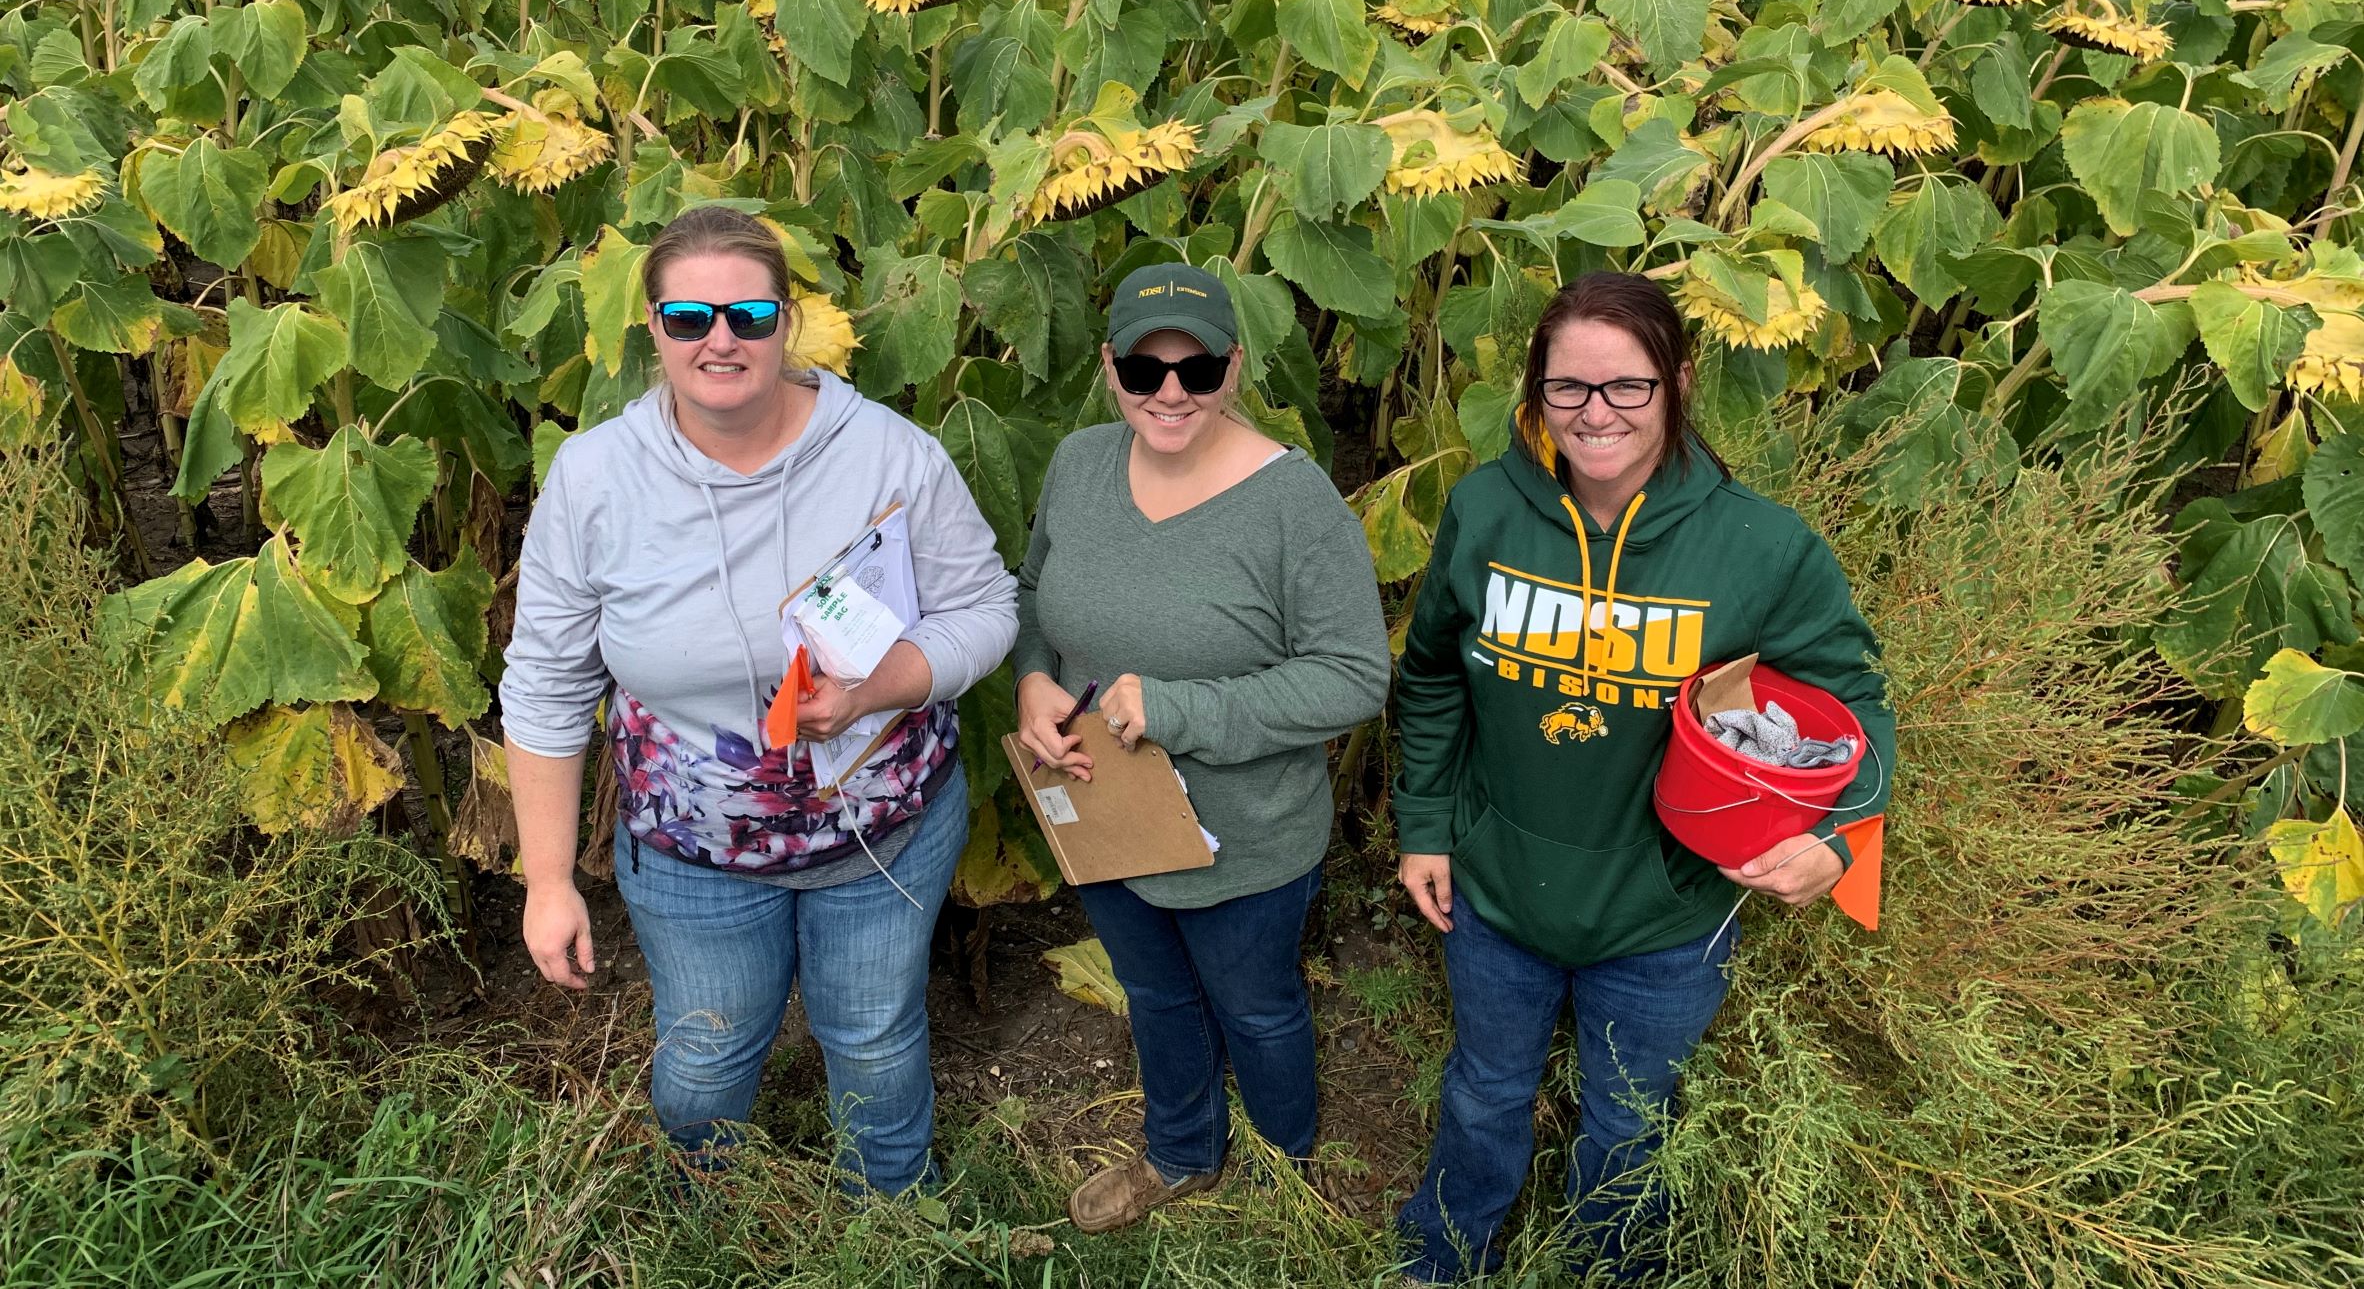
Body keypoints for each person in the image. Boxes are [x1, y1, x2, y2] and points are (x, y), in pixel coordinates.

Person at [498, 203, 1018, 1191]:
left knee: (872, 1037)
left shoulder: (889, 455)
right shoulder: (595, 478)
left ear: (790, 320)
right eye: (690, 317)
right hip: (692, 848)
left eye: (748, 313)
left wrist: (885, 684)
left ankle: (891, 1222)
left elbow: (984, 606)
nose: (721, 338)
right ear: (652, 329)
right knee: (704, 1058)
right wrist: (550, 878)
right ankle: (724, 1215)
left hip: (883, 827)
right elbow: (546, 683)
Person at [1393, 271, 1892, 1281]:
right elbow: (1436, 673)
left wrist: (1832, 846)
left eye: (1628, 387)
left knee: (1629, 1116)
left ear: (1678, 382)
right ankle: (1444, 1257)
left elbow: (1859, 714)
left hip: (1669, 915)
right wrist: (1426, 825)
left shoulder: (1760, 547)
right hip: (1497, 891)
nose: (1597, 414)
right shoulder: (1487, 511)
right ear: (1536, 392)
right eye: (1568, 387)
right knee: (1485, 1089)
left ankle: (1612, 1269)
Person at [1012, 262, 1390, 1233]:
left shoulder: (1293, 504)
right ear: (1110, 369)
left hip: (1245, 833)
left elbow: (1353, 676)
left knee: (1258, 1007)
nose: (1169, 393)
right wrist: (1034, 678)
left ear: (1235, 368)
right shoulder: (1080, 465)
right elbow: (1031, 596)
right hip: (1104, 807)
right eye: (1144, 371)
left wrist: (1183, 711)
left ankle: (1279, 1165)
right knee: (1155, 995)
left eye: (1196, 370)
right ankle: (1180, 1150)